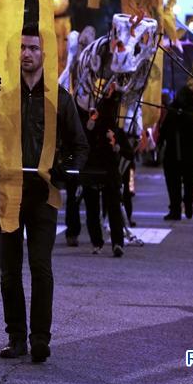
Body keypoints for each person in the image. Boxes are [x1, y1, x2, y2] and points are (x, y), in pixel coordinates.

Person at [0, 23, 89, 364]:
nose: (27, 54)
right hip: (9, 192)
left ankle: (40, 338)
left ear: (44, 54)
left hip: (44, 196)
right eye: (22, 47)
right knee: (9, 270)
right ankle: (16, 337)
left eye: (34, 48)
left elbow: (81, 145)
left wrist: (66, 170)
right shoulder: (4, 95)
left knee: (40, 266)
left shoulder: (58, 98)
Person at [80, 86, 134, 257]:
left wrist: (116, 145)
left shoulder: (116, 132)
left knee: (112, 208)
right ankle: (99, 241)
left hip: (107, 172)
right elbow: (82, 143)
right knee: (95, 208)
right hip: (93, 171)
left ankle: (115, 243)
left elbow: (129, 153)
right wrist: (90, 126)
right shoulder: (92, 127)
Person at [159, 87, 193, 220]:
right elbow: (164, 130)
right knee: (172, 184)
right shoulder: (172, 111)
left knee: (190, 182)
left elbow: (191, 122)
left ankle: (188, 202)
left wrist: (180, 113)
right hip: (171, 155)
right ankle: (175, 210)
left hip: (188, 155)